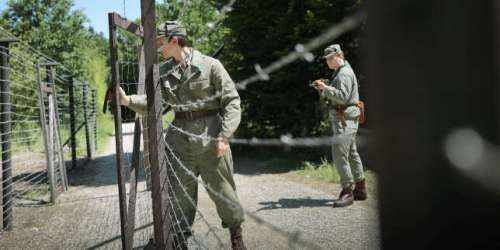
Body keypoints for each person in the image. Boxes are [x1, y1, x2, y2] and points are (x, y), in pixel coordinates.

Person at [116, 21, 246, 250]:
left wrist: (225, 135)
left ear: (174, 40)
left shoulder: (211, 65)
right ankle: (177, 239)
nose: (157, 46)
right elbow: (153, 103)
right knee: (178, 195)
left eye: (160, 41)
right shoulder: (164, 71)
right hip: (179, 143)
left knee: (224, 192)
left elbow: (232, 101)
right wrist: (127, 100)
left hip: (211, 139)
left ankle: (236, 237)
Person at [312, 44, 367, 208]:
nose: (328, 62)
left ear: (339, 56)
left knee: (339, 153)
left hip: (345, 120)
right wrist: (327, 86)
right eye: (326, 59)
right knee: (351, 152)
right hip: (346, 118)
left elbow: (342, 97)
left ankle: (347, 191)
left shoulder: (344, 74)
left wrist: (325, 88)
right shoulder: (342, 72)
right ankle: (361, 189)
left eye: (330, 58)